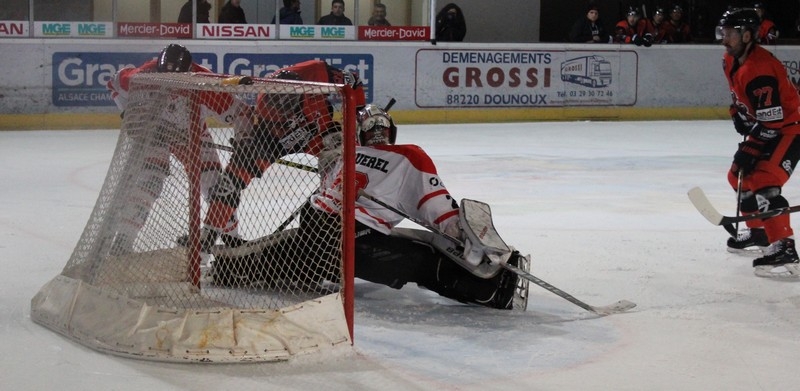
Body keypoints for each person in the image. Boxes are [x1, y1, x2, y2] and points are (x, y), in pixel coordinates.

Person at [212, 104, 531, 310]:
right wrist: (470, 241)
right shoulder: (409, 155)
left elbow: (329, 180)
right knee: (422, 260)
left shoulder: (345, 155)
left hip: (316, 227)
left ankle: (227, 265)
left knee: (296, 254)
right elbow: (441, 214)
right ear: (390, 130)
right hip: (353, 239)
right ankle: (491, 289)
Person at [198, 60, 366, 251]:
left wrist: (356, 122)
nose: (286, 116)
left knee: (346, 174)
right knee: (229, 185)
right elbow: (248, 126)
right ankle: (208, 237)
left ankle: (348, 231)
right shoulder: (264, 108)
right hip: (273, 139)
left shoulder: (315, 72)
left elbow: (354, 82)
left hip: (320, 134)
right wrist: (245, 145)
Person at [105, 44, 252, 254]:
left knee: (216, 186)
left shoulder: (203, 81)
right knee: (149, 181)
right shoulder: (143, 75)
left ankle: (231, 239)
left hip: (191, 137)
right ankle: (123, 240)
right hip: (155, 135)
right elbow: (114, 83)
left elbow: (242, 112)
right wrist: (127, 112)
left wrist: (244, 140)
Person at [717, 8, 800, 277]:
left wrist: (750, 149)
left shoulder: (760, 70)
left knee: (764, 180)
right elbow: (738, 94)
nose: (725, 39)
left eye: (730, 34)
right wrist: (737, 114)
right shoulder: (731, 60)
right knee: (737, 176)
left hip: (791, 129)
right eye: (724, 33)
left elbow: (774, 123)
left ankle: (784, 246)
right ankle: (759, 233)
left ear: (749, 35)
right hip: (771, 126)